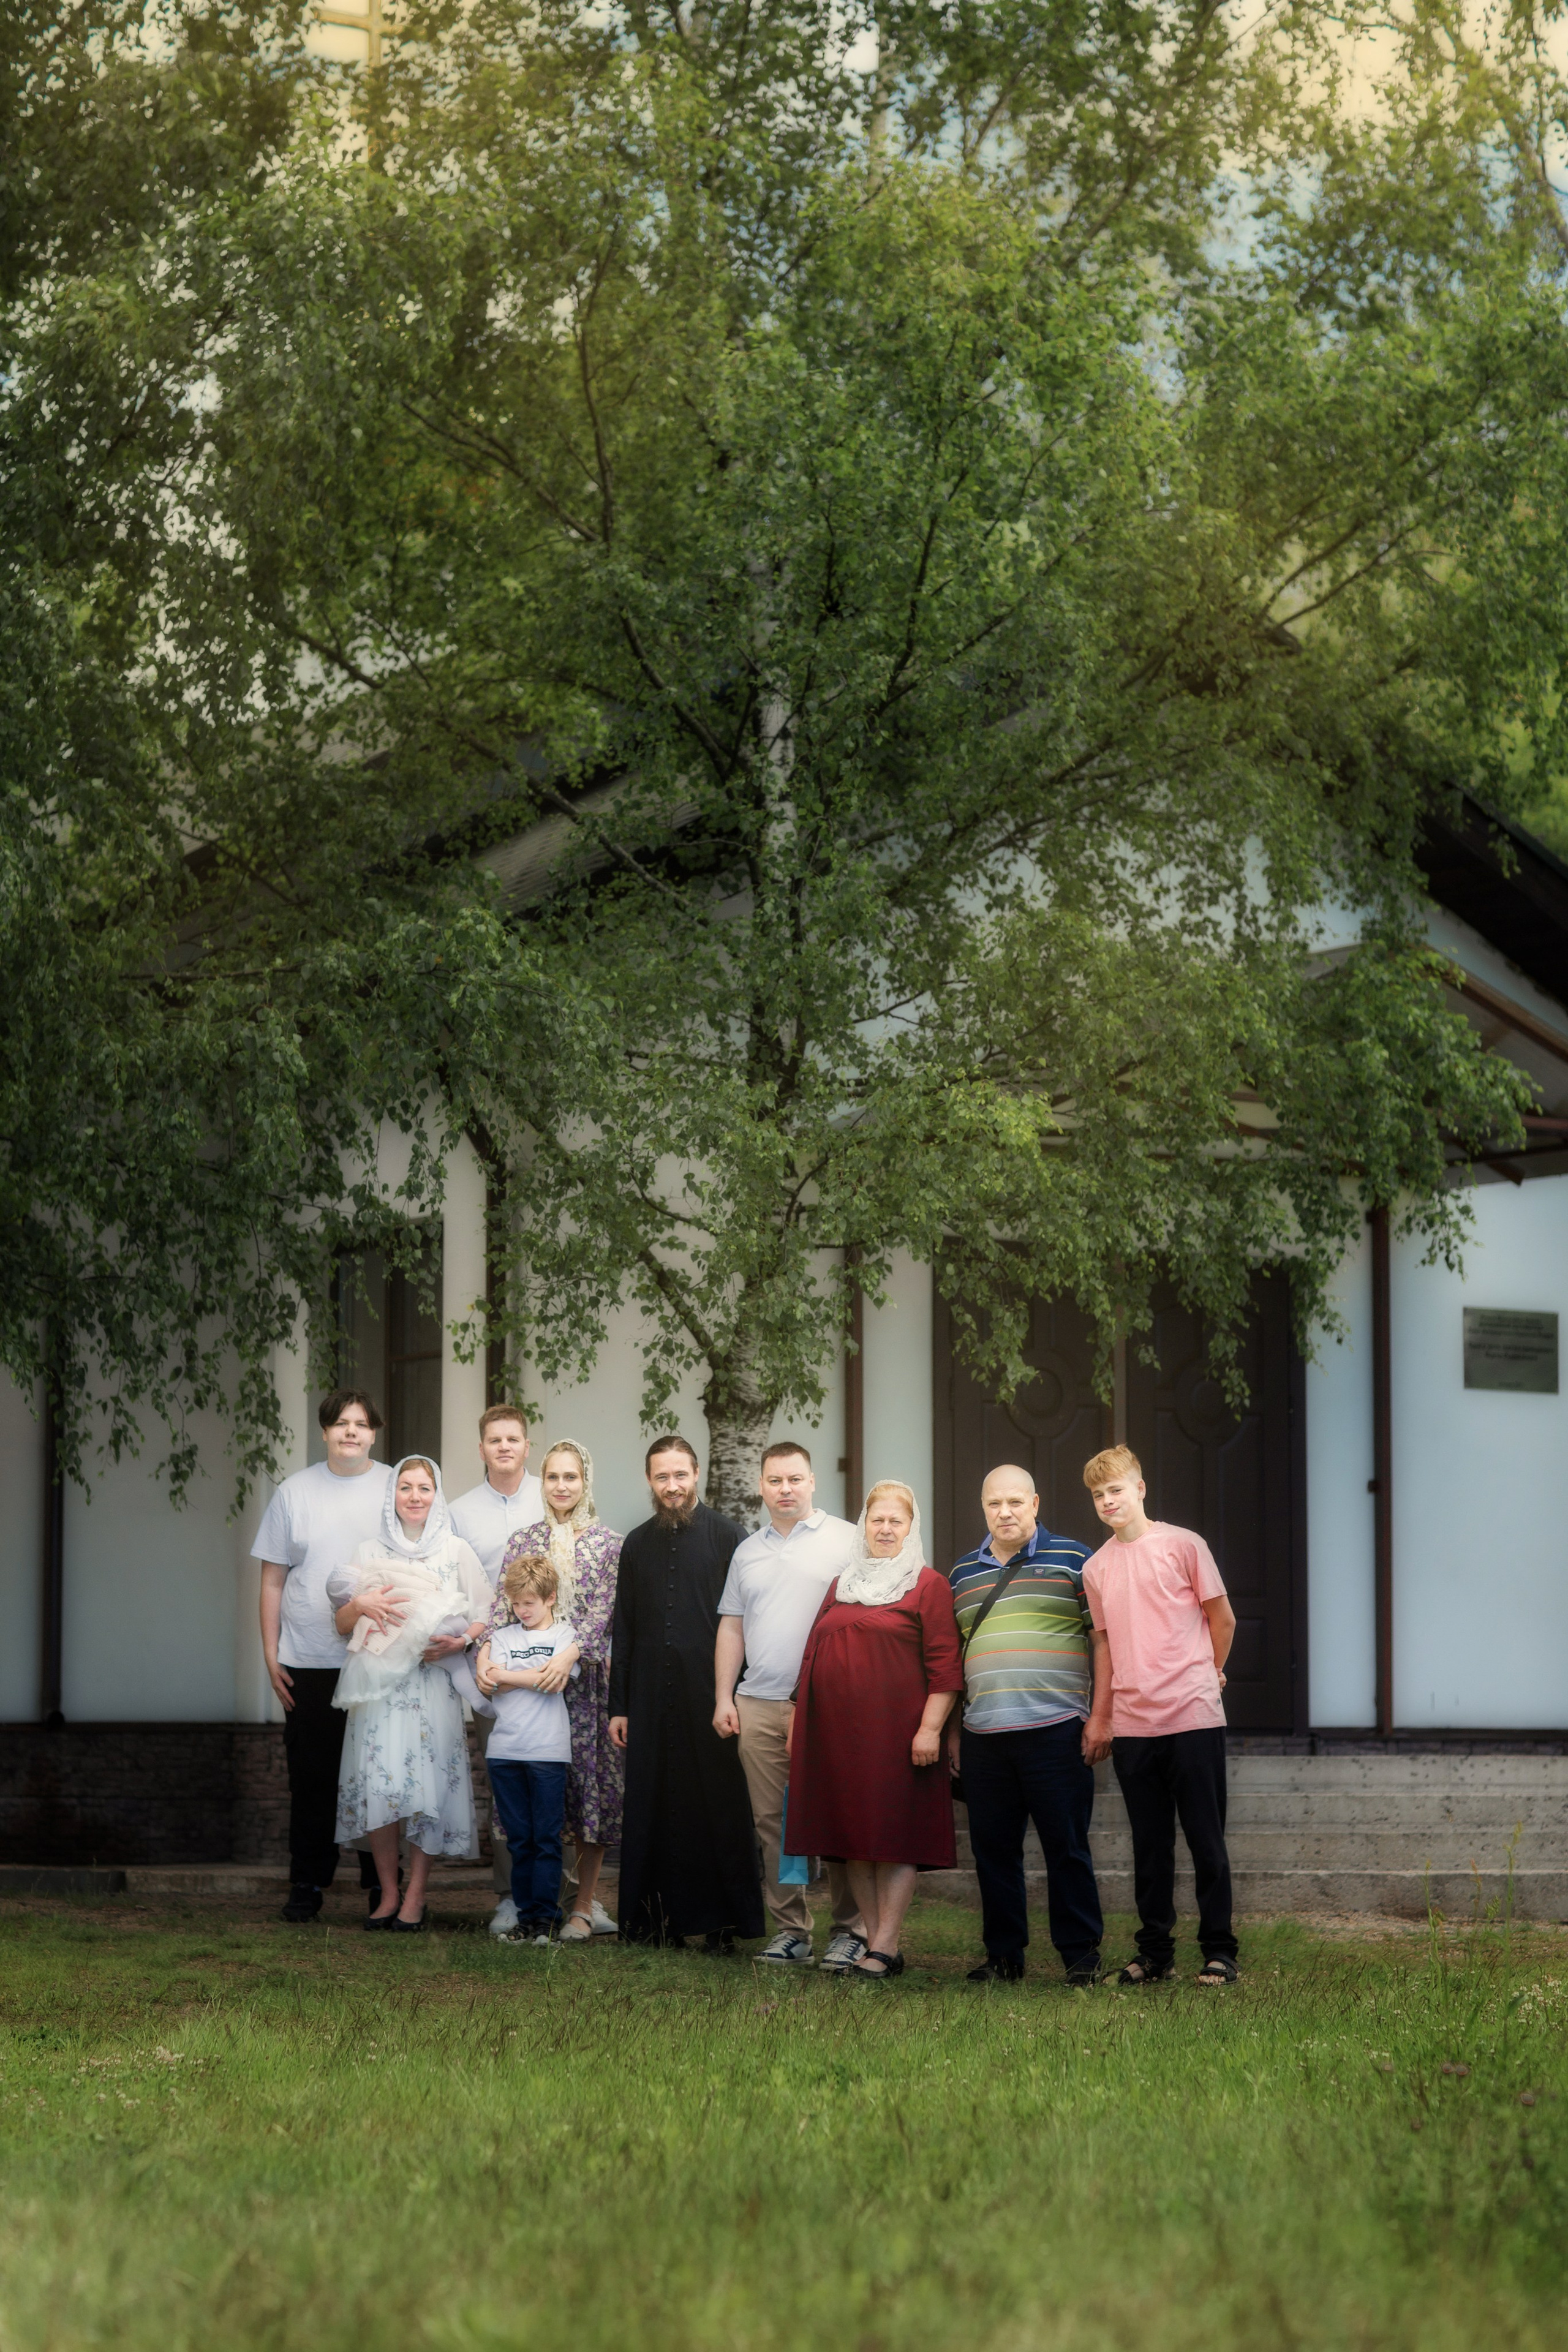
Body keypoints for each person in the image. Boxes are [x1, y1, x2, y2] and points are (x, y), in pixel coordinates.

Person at [786, 1482, 963, 1981]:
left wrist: (930, 1729)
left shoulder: (928, 1585)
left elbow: (946, 1667)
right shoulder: (841, 1583)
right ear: (864, 1525)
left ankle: (885, 1945)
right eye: (876, 1520)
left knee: (893, 1839)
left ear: (911, 1528)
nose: (885, 1529)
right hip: (836, 1738)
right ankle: (874, 1937)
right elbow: (810, 1657)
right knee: (852, 1841)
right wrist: (800, 1726)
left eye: (896, 1521)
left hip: (899, 1737)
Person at [1081, 1444, 1240, 1986]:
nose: (1108, 1501)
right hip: (1132, 1726)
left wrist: (1208, 1671)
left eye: (1117, 1490)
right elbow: (1103, 1647)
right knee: (1150, 1848)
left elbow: (1223, 1620)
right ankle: (1154, 1954)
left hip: (1192, 1716)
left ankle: (1220, 1950)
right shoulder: (1096, 1568)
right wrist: (1100, 1717)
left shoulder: (1183, 1545)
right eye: (1099, 1495)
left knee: (1206, 1841)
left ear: (1140, 1488)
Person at [949, 1464, 1107, 1988]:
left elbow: (1102, 1642)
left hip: (1056, 1729)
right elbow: (953, 1664)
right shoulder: (961, 1575)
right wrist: (953, 1734)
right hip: (984, 1736)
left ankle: (1080, 1957)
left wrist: (1098, 1715)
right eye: (995, 1504)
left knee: (1067, 1847)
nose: (1005, 1512)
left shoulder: (1075, 1559)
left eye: (1015, 1502)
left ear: (1035, 1504)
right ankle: (1004, 1957)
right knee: (993, 1852)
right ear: (983, 1507)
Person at [714, 1442, 868, 1972]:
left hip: (830, 1707)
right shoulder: (747, 1551)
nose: (786, 1489)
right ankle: (792, 1930)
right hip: (758, 1702)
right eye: (776, 1481)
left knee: (839, 1818)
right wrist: (723, 1696)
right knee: (773, 1824)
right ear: (761, 1486)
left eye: (795, 1479)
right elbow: (732, 1625)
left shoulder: (849, 1540)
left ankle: (851, 1930)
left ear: (813, 1481)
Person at [608, 1436, 765, 1951]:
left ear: (696, 1474)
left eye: (680, 1475)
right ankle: (657, 1922)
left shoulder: (728, 1537)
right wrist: (620, 1706)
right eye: (661, 1477)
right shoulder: (636, 1543)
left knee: (717, 1806)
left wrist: (737, 1696)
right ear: (649, 1481)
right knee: (653, 1804)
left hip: (711, 1694)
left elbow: (745, 1624)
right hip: (650, 1697)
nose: (672, 1486)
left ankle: (722, 1925)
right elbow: (624, 1629)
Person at [326, 1455, 492, 1931]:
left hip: (432, 1686)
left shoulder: (455, 1550)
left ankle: (417, 1897)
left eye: (424, 1488)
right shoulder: (368, 1551)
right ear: (392, 1495)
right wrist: (359, 1604)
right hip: (379, 1689)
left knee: (426, 1788)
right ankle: (388, 1893)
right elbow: (341, 1626)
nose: (415, 1496)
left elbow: (484, 1611)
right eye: (406, 1488)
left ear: (436, 1495)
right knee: (381, 1786)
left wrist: (460, 1641)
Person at [252, 1390, 394, 1923]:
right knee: (312, 1777)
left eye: (361, 1423)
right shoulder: (295, 1492)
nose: (351, 1432)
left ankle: (380, 1885)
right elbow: (272, 1578)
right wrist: (271, 1653)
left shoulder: (394, 1485)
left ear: (375, 1433)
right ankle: (308, 1882)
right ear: (325, 1431)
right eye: (340, 1423)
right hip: (308, 1658)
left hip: (378, 1656)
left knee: (376, 1775)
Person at [490, 1439, 624, 1943]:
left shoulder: (610, 1544)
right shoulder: (525, 1540)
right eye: (553, 1477)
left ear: (585, 1482)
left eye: (572, 1477)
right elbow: (503, 1611)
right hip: (529, 1689)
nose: (562, 1486)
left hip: (584, 1685)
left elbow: (607, 1613)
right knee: (537, 1805)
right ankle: (529, 1904)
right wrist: (485, 1656)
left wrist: (568, 1655)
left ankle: (583, 1905)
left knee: (588, 1794)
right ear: (541, 1481)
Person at [447, 1404, 546, 1936]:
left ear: (527, 1447)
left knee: (558, 1781)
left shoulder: (550, 1494)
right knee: (506, 1782)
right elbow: (458, 1589)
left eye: (513, 1438)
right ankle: (510, 1896)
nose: (504, 1447)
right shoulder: (460, 1512)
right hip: (493, 1665)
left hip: (553, 1664)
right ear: (481, 1448)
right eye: (494, 1439)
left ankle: (568, 1897)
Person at [477, 1551, 581, 1946]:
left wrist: (504, 1673)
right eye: (516, 1603)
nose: (522, 1611)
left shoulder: (565, 1636)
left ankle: (547, 1922)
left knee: (546, 1840)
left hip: (548, 1753)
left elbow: (553, 1681)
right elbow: (494, 1684)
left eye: (530, 1603)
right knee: (519, 1841)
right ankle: (526, 1919)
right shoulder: (502, 1637)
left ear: (551, 1597)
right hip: (505, 1752)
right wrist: (522, 1675)